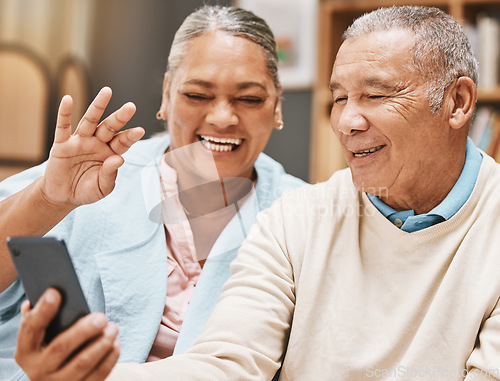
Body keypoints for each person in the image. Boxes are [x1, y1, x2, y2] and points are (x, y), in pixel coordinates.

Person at [101, 5, 499, 380]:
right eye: (339, 97)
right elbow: (229, 364)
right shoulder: (293, 219)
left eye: (375, 95)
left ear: (457, 102)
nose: (346, 121)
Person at [0, 5, 304, 380]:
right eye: (197, 95)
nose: (223, 117)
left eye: (250, 99)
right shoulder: (87, 175)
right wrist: (47, 199)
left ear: (276, 103)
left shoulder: (303, 212)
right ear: (166, 95)